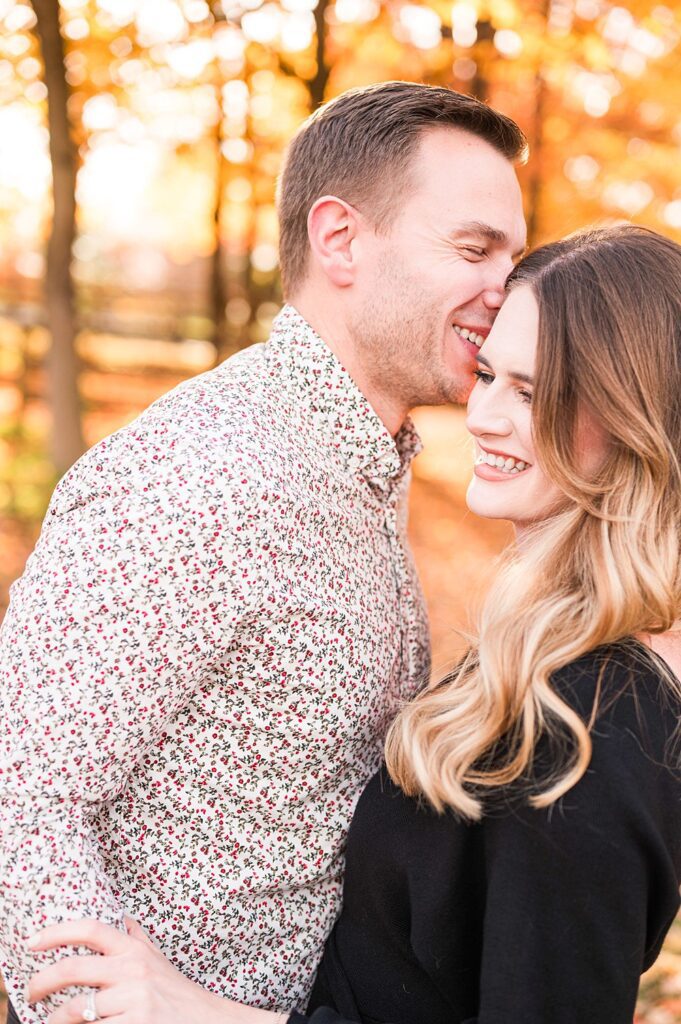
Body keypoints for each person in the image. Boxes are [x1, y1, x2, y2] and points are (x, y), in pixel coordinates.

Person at [27, 224, 681, 1024]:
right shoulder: (553, 652)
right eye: (487, 375)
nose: (483, 415)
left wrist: (194, 1010)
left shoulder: (598, 726)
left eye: (535, 390)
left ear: (635, 420)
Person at [0, 81, 528, 1023]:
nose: (507, 288)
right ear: (340, 240)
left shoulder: (359, 466)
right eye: (473, 248)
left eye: (514, 255)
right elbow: (21, 799)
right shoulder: (201, 477)